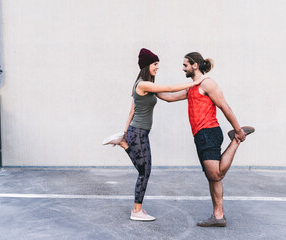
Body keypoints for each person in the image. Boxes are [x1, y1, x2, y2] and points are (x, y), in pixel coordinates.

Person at [103, 48, 206, 221]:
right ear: (146, 65)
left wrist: (125, 132)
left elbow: (165, 97)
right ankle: (136, 211)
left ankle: (122, 143)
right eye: (155, 64)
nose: (157, 67)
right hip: (139, 133)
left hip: (138, 133)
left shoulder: (147, 86)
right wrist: (197, 82)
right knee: (144, 172)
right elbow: (169, 88)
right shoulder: (143, 84)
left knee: (144, 170)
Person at [156, 52, 255, 227]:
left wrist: (238, 130)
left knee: (216, 175)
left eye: (185, 64)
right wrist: (150, 86)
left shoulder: (208, 83)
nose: (183, 68)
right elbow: (169, 98)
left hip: (208, 131)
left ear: (195, 65)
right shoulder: (193, 88)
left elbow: (224, 106)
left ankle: (236, 140)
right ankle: (218, 216)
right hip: (200, 135)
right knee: (212, 178)